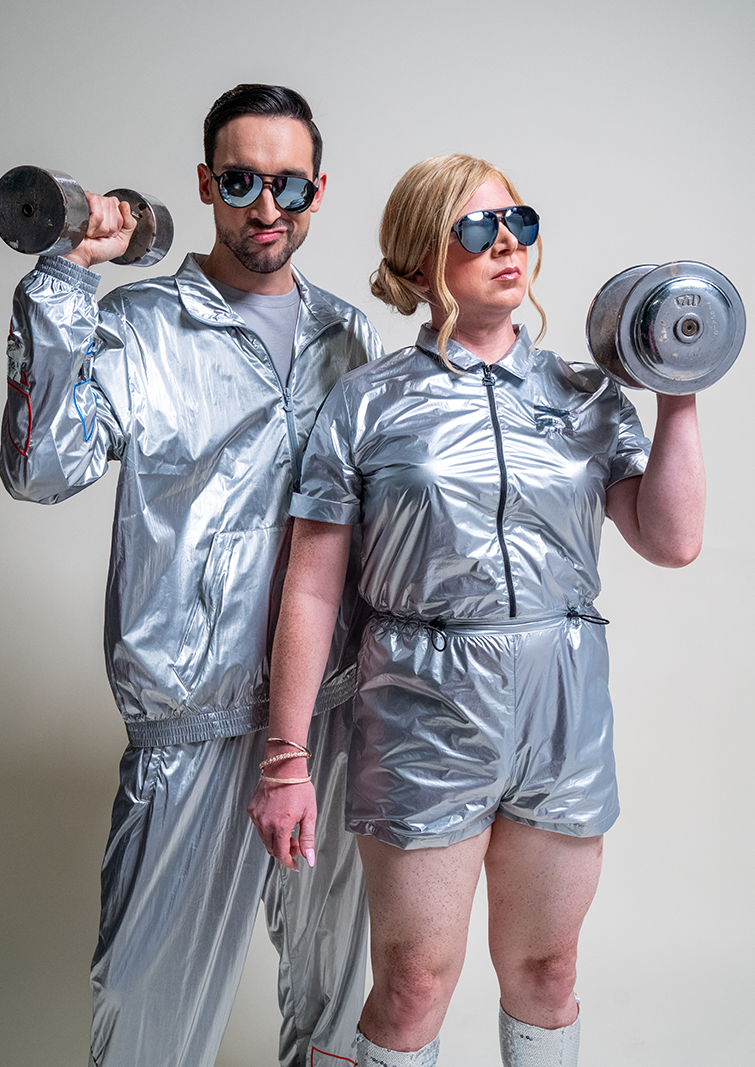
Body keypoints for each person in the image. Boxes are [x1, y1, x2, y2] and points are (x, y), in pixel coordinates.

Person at [248, 153, 705, 1067]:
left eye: (520, 222)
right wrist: (286, 757)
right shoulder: (367, 403)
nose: (507, 244)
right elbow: (310, 584)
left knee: (548, 965)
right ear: (422, 262)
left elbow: (673, 539)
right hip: (424, 704)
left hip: (561, 700)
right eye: (475, 227)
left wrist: (679, 388)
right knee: (415, 978)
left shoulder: (584, 397)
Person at [0, 84, 382, 1067]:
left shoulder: (350, 339)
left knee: (343, 1006)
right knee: (145, 1018)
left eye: (286, 184)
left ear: (316, 189)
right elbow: (41, 467)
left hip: (329, 719)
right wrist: (61, 282)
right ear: (206, 183)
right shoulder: (142, 324)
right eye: (242, 180)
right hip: (192, 718)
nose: (265, 207)